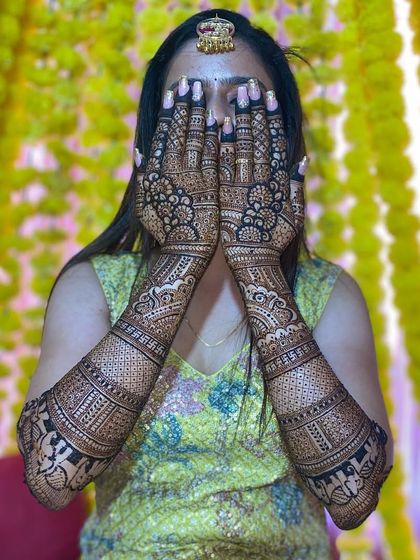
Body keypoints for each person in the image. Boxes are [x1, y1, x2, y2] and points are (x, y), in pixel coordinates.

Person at [16, 9, 394, 559]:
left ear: (285, 147)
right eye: (190, 104)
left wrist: (256, 264)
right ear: (147, 154)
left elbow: (354, 496)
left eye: (242, 102)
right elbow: (52, 476)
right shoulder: (93, 287)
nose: (215, 127)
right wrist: (182, 256)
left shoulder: (328, 296)